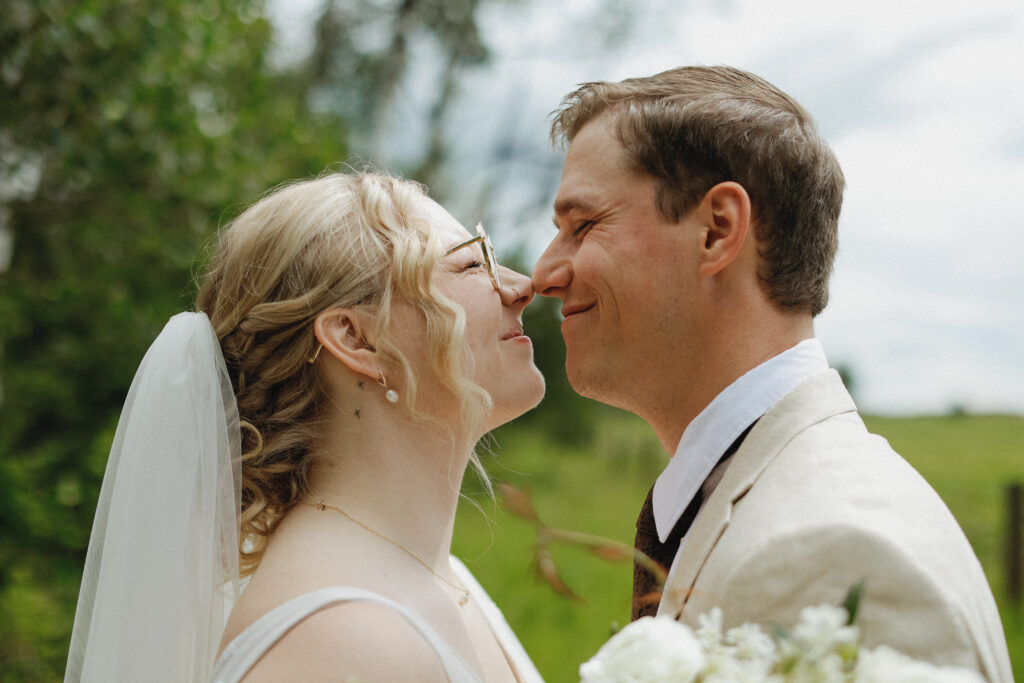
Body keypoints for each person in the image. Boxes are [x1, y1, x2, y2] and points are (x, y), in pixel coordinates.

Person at [532, 65, 1012, 681]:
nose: (543, 274)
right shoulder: (772, 504)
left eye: (584, 224)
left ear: (718, 230)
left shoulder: (838, 551)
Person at [65, 171, 545, 682]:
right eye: (475, 263)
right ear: (359, 339)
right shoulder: (338, 642)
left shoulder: (443, 580)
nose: (522, 286)